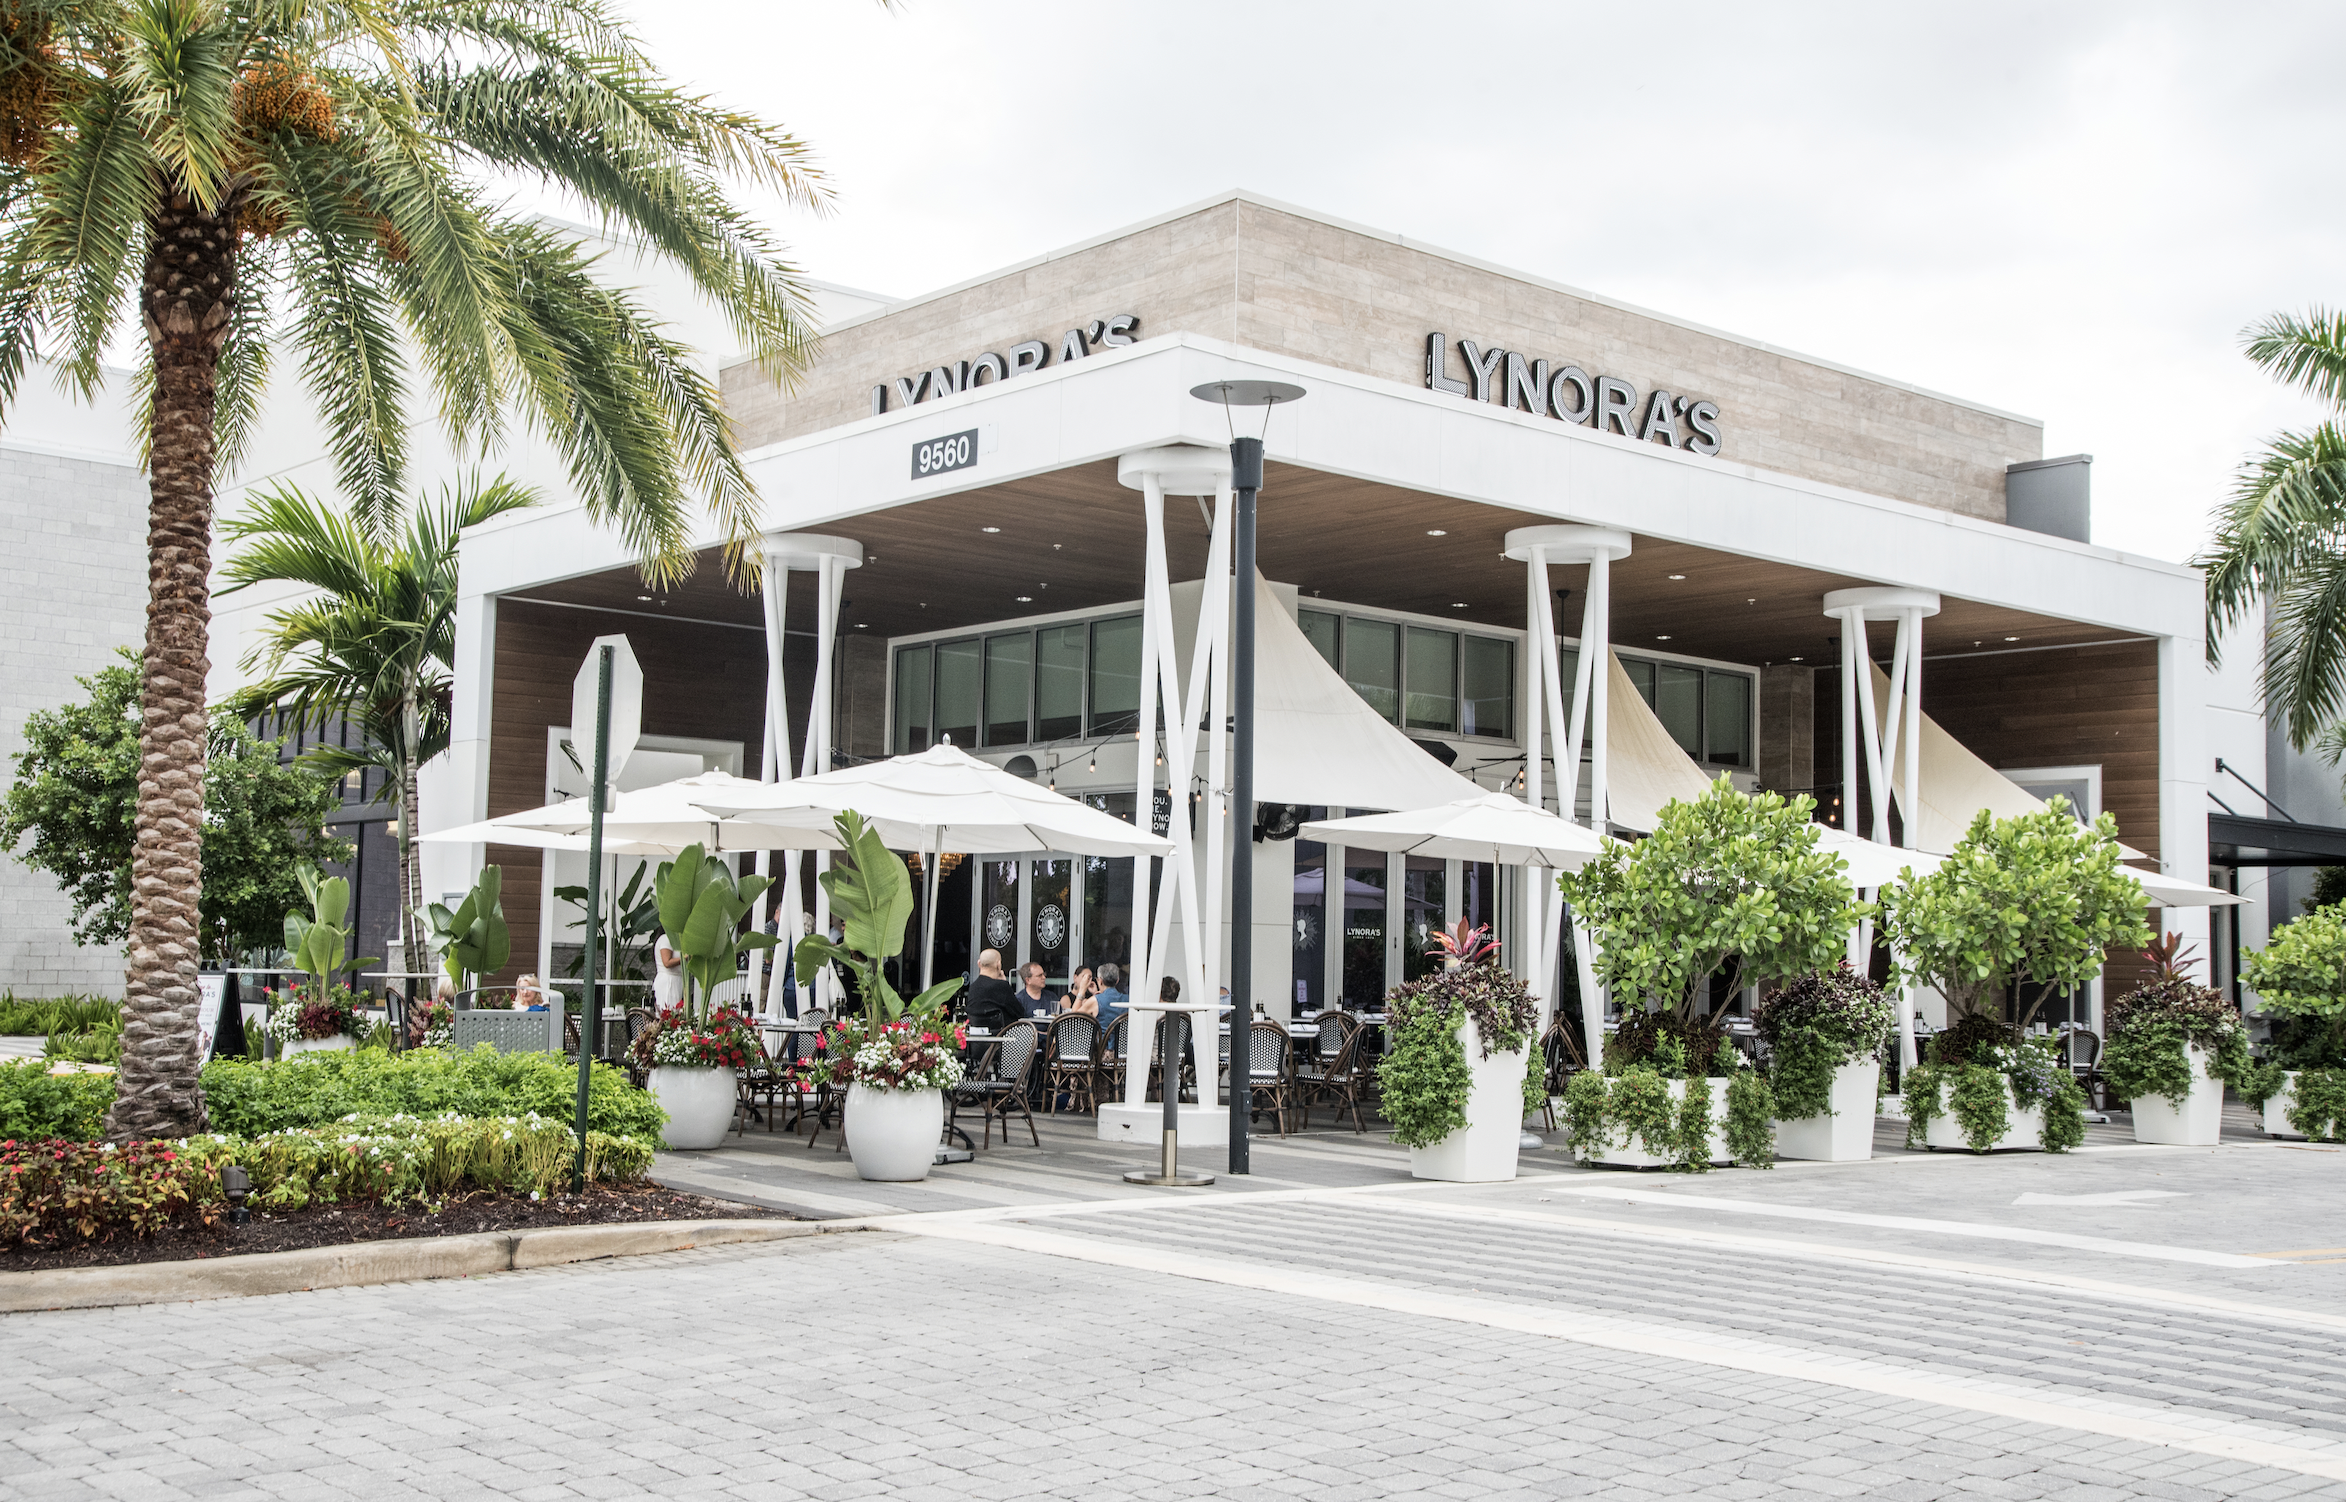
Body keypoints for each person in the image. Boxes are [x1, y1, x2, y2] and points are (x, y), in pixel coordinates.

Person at [965, 949, 1022, 1033]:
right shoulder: (1002, 986)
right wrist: (1004, 983)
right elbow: (1019, 1012)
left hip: (977, 1041)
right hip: (1001, 1040)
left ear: (979, 964)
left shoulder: (973, 987)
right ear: (998, 964)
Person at [653, 932, 685, 1009]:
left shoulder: (678, 940)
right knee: (668, 1009)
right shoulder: (666, 939)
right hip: (668, 981)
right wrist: (686, 958)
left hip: (677, 980)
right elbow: (667, 962)